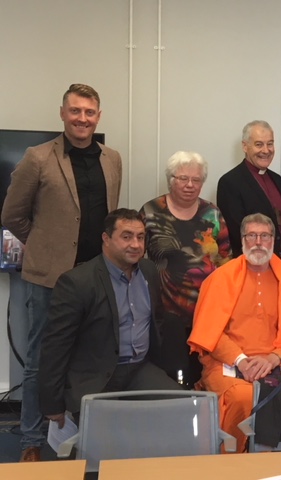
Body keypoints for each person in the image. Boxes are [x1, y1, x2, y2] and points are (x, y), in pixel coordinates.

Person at [1, 83, 122, 462]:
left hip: (96, 276)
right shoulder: (37, 158)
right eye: (75, 111)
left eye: (89, 112)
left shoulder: (112, 158)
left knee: (92, 357)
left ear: (98, 117)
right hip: (50, 278)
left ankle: (84, 435)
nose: (82, 118)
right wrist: (42, 244)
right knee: (40, 360)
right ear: (63, 113)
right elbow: (11, 215)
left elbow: (110, 213)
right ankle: (31, 441)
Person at [39, 209, 181, 430]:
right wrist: (52, 403)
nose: (135, 244)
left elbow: (158, 322)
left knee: (181, 407)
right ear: (106, 239)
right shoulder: (77, 283)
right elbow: (55, 347)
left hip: (140, 370)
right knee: (109, 440)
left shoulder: (149, 271)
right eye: (126, 237)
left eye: (140, 237)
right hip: (95, 376)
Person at [187, 213, 281, 452]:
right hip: (225, 363)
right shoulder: (220, 279)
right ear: (242, 240)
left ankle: (277, 464)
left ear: (274, 241)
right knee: (245, 397)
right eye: (252, 236)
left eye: (265, 236)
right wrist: (241, 361)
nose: (258, 242)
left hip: (274, 361)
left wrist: (273, 358)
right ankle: (232, 460)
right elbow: (210, 331)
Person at [140, 151, 230, 388]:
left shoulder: (213, 213)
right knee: (170, 379)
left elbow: (225, 262)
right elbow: (137, 261)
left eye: (196, 180)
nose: (190, 185)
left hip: (207, 313)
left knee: (204, 377)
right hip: (165, 313)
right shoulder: (151, 211)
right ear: (171, 179)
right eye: (183, 178)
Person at [217, 120, 281, 270]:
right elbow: (237, 233)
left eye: (270, 144)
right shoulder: (230, 182)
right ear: (245, 146)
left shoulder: (278, 180)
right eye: (259, 144)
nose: (266, 150)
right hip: (251, 269)